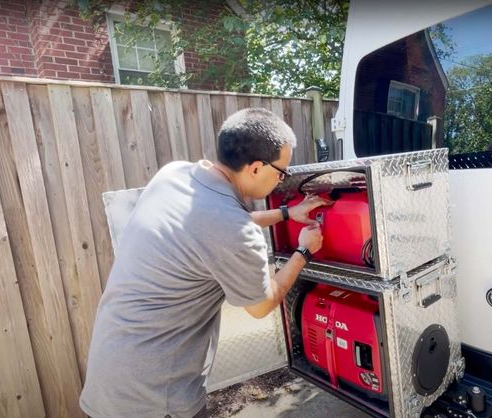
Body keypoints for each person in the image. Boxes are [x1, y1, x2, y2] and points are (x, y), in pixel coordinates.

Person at [79, 108, 330, 418]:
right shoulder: (231, 229)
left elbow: (211, 224)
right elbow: (262, 303)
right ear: (254, 168)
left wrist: (286, 214)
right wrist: (304, 251)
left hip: (108, 376)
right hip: (156, 399)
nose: (282, 179)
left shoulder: (174, 175)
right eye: (282, 172)